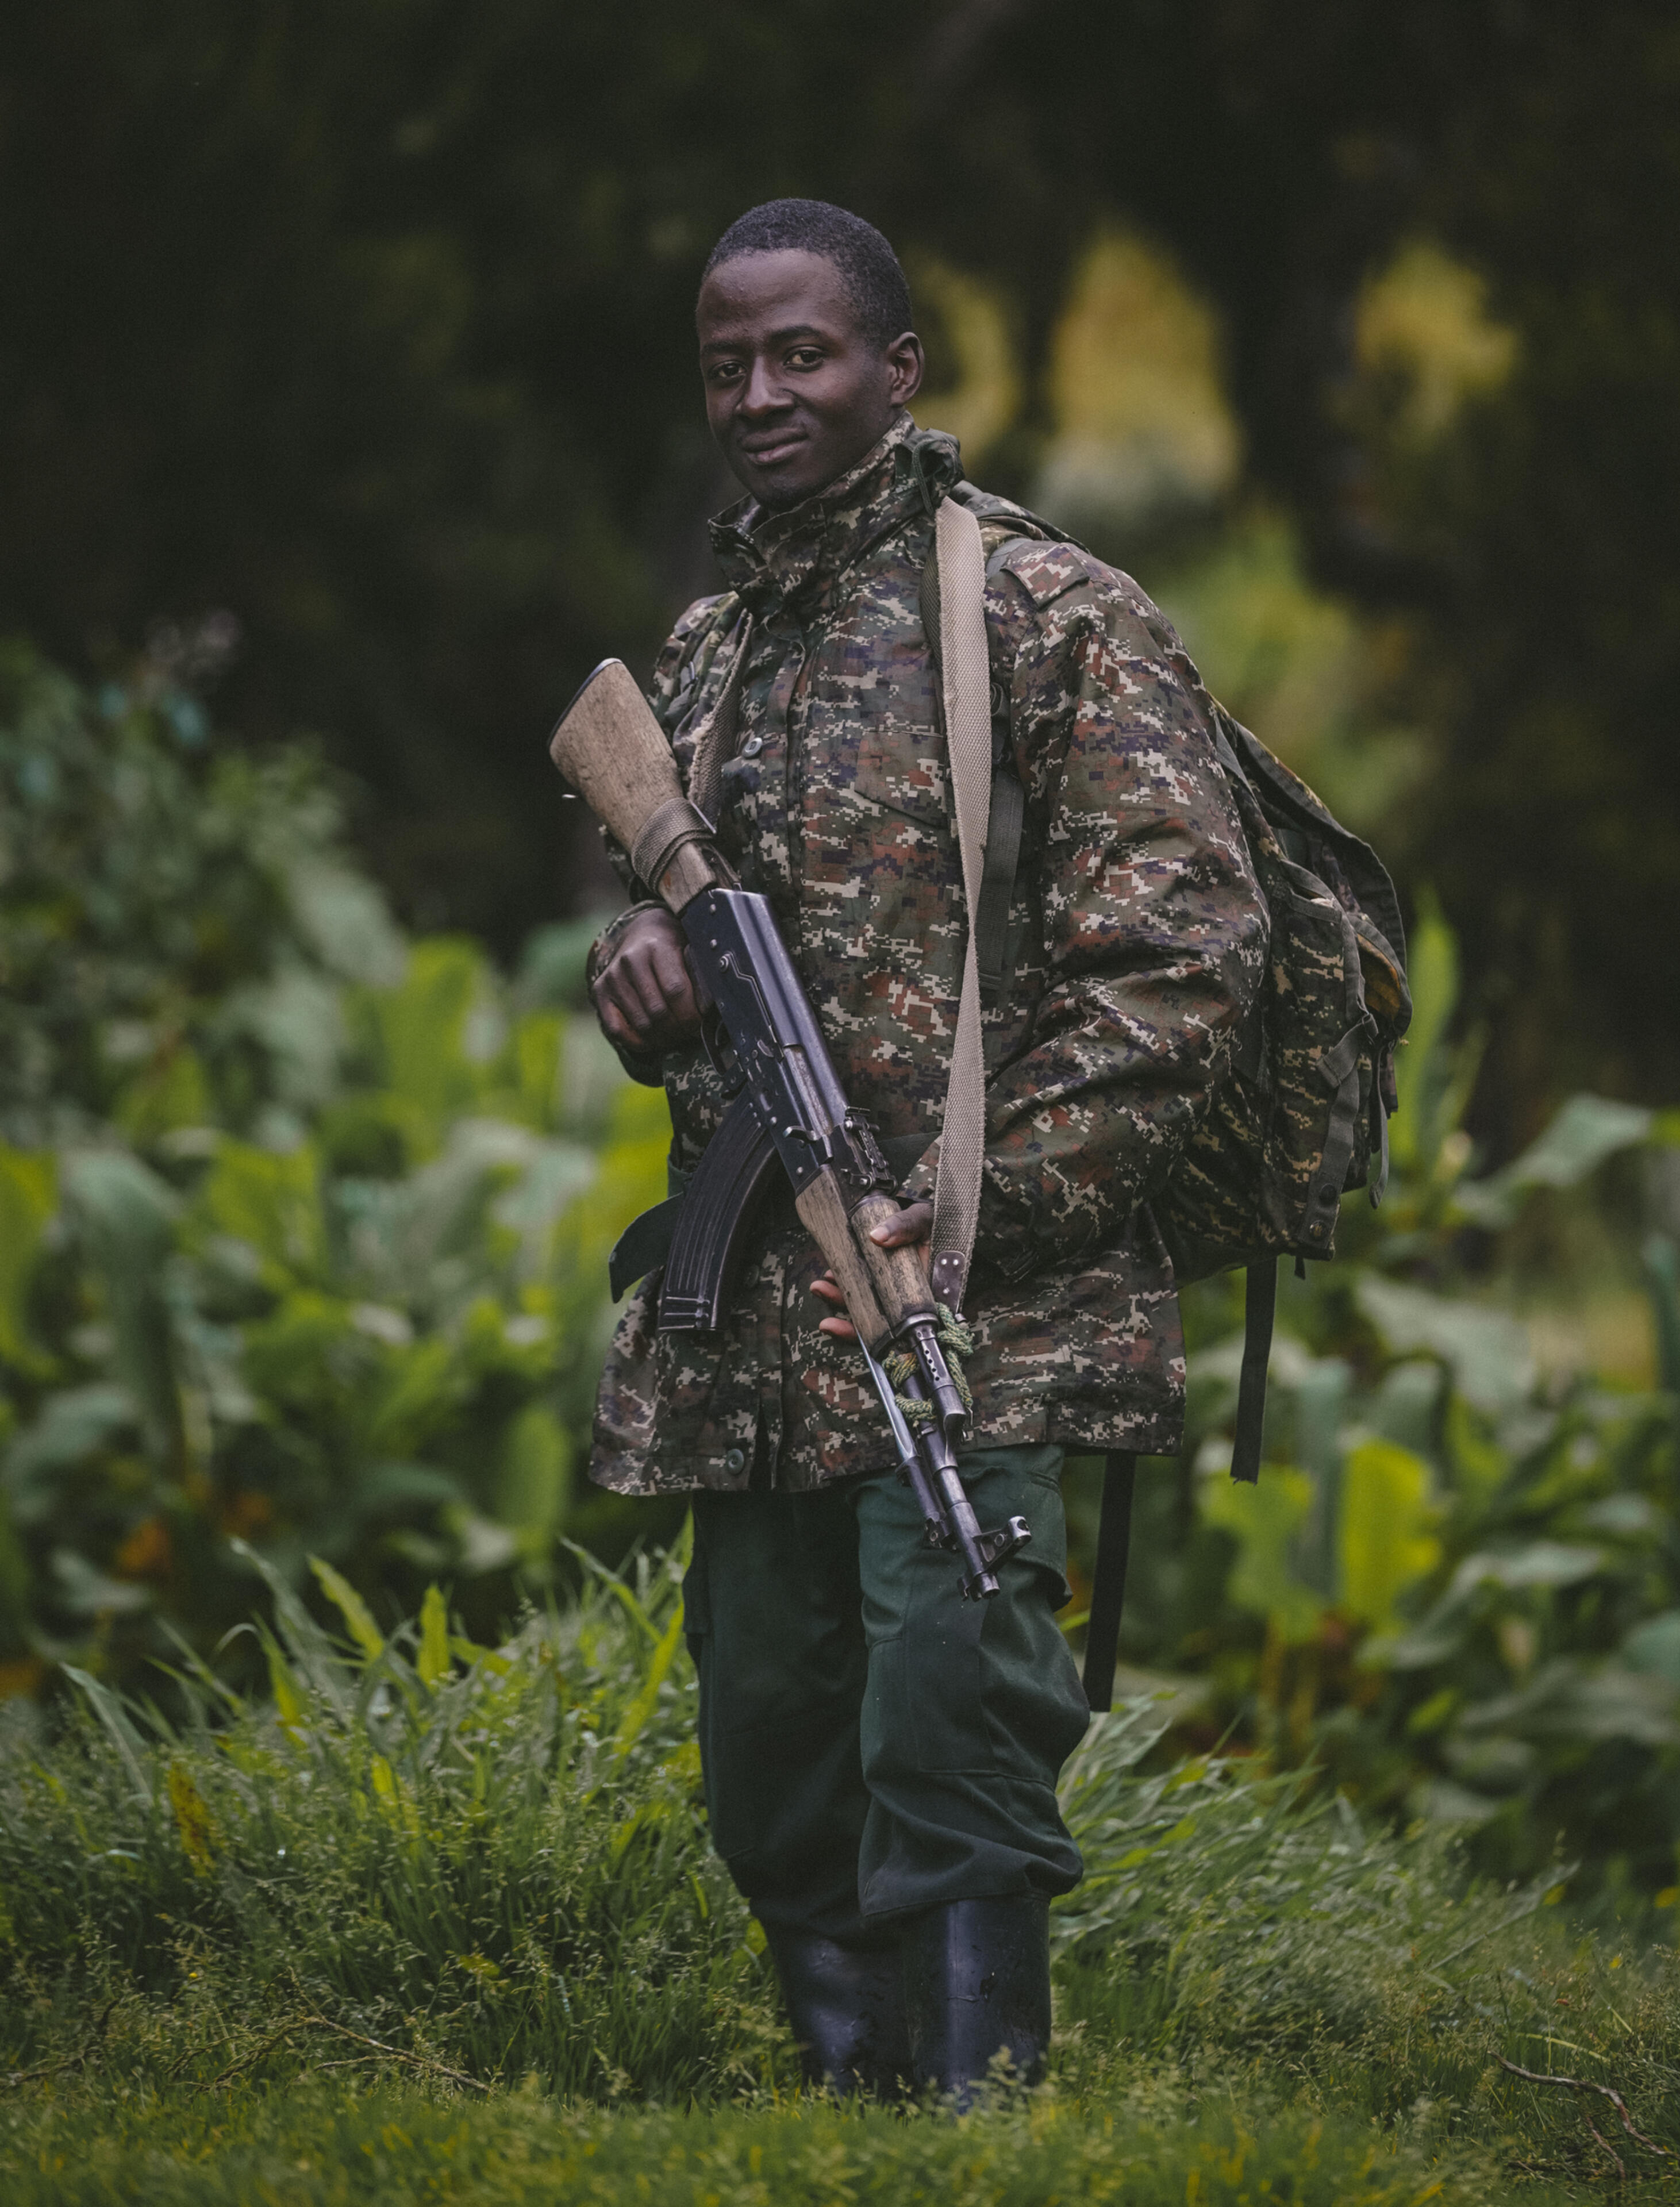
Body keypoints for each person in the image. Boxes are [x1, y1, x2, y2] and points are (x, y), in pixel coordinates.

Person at [587, 198, 1266, 2098]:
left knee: (952, 1695)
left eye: (801, 355)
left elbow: (1184, 952)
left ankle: (981, 2108)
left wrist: (984, 1205)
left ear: (899, 369)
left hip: (980, 1305)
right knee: (771, 1724)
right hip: (756, 1324)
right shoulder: (712, 642)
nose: (759, 395)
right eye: (727, 365)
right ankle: (845, 2097)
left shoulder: (1040, 613)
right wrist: (635, 959)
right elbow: (664, 900)